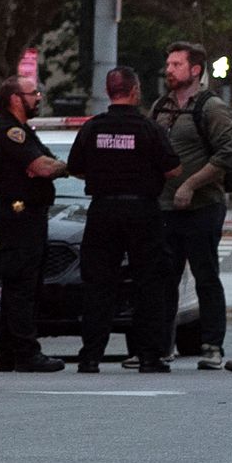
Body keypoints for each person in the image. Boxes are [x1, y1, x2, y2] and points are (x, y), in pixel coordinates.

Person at [67, 68, 179, 373]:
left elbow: (75, 167)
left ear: (108, 91)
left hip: (103, 211)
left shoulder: (93, 128)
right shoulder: (148, 129)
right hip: (142, 211)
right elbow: (172, 170)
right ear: (135, 90)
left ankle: (90, 356)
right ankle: (149, 356)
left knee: (98, 284)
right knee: (149, 284)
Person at [149, 43, 232, 365]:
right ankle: (163, 346)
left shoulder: (212, 107)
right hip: (165, 207)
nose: (169, 69)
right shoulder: (160, 107)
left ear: (195, 70)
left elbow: (228, 154)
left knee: (206, 275)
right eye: (168, 63)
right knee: (166, 278)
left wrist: (191, 184)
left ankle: (212, 346)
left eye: (176, 64)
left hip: (203, 206)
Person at [0, 78, 68, 372]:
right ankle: (26, 352)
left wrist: (49, 167)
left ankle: (7, 350)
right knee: (22, 285)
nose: (39, 98)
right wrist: (67, 166)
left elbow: (43, 164)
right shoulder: (11, 132)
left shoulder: (21, 131)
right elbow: (42, 166)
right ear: (16, 99)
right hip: (21, 217)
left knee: (20, 283)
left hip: (27, 216)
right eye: (34, 94)